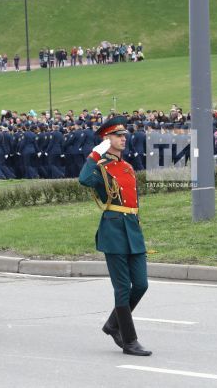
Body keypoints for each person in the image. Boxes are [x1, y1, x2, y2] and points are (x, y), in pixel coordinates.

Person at [78, 116, 151, 356]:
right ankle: (129, 341)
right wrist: (94, 155)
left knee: (140, 284)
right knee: (122, 287)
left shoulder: (128, 166)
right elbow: (83, 180)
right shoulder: (100, 167)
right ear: (106, 139)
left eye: (124, 135)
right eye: (117, 135)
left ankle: (112, 324)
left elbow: (134, 200)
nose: (123, 138)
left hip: (132, 228)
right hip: (113, 230)